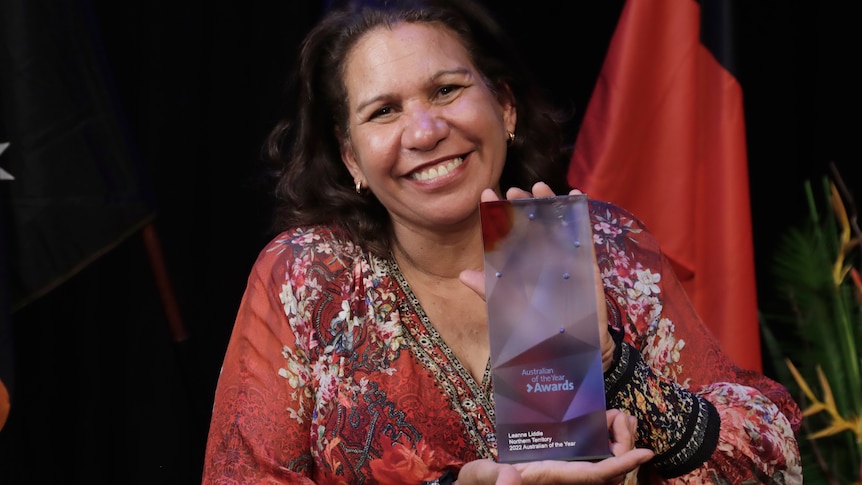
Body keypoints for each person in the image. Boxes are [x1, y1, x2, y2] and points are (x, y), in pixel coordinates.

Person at [202, 0, 802, 483]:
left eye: (445, 90)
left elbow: (773, 457)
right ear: (350, 155)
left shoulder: (605, 243)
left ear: (506, 108)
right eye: (384, 110)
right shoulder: (307, 279)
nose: (427, 130)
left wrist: (616, 368)